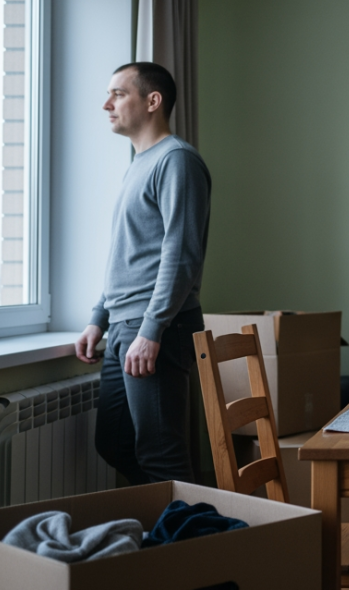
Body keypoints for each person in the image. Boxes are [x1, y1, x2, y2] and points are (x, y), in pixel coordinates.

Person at [73, 62, 212, 485]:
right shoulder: (138, 164)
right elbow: (128, 253)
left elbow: (181, 254)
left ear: (153, 101)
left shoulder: (177, 161)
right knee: (114, 443)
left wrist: (151, 330)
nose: (106, 104)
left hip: (157, 326)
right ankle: (164, 526)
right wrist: (100, 315)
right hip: (124, 323)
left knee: (161, 455)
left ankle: (188, 543)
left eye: (118, 94)